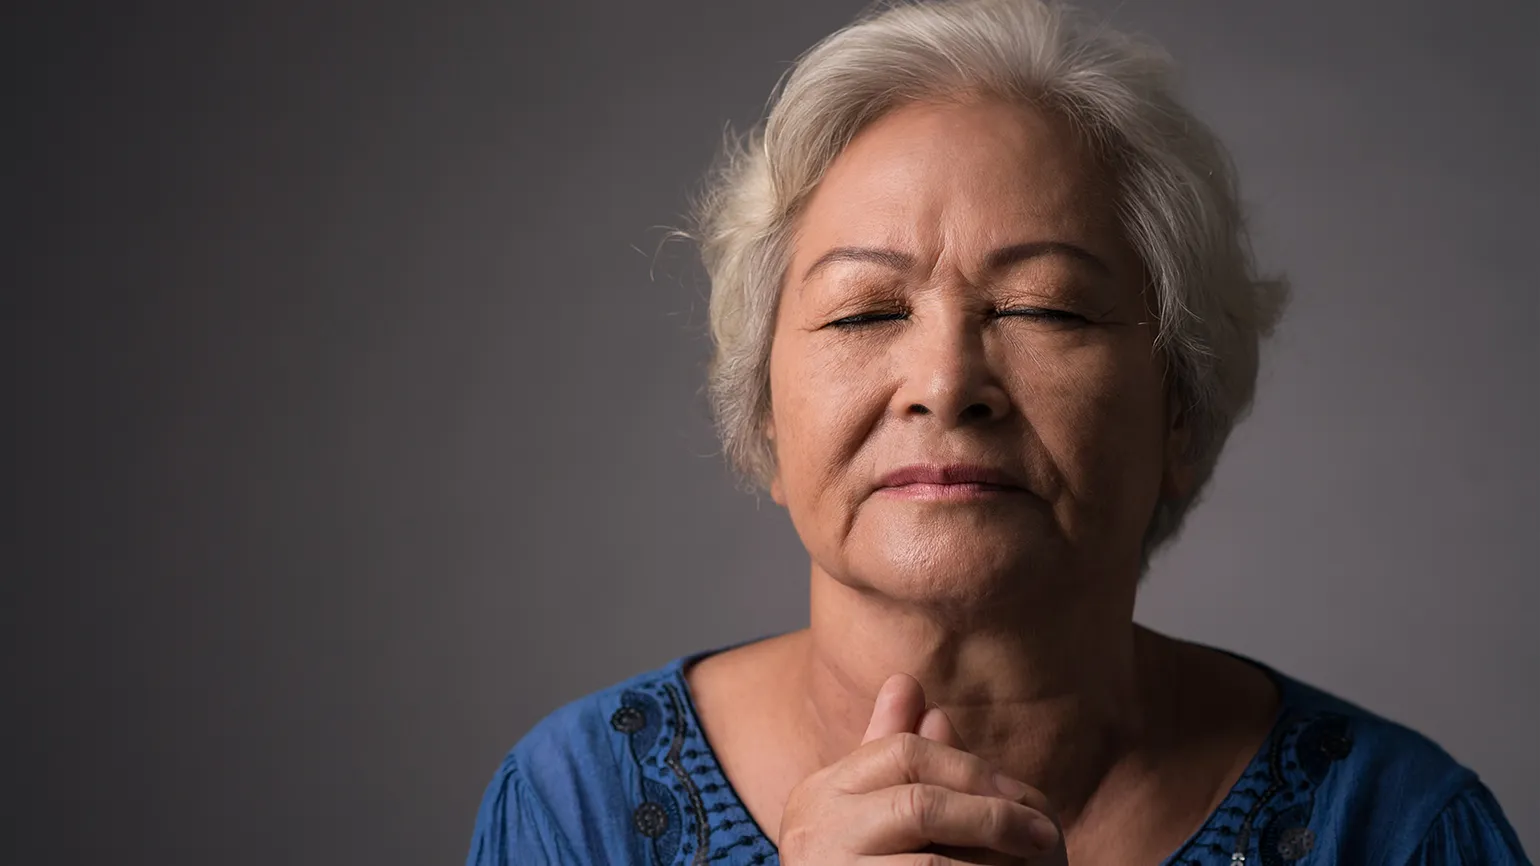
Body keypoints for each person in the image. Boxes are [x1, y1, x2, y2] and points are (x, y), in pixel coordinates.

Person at [465, 1, 1530, 863]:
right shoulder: (580, 809)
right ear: (762, 419)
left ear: (1180, 411)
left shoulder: (1399, 828)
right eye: (866, 311)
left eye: (1043, 309)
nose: (944, 383)